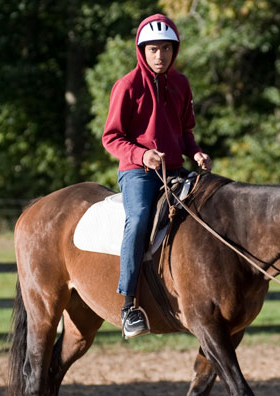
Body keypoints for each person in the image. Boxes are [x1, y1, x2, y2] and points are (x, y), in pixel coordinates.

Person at [102, 13, 212, 338]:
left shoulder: (181, 84)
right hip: (138, 173)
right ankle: (129, 306)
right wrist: (142, 155)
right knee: (137, 221)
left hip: (176, 169)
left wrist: (196, 153)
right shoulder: (126, 86)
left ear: (173, 50)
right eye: (153, 49)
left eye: (166, 49)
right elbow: (112, 137)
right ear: (142, 50)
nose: (159, 56)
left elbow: (186, 132)